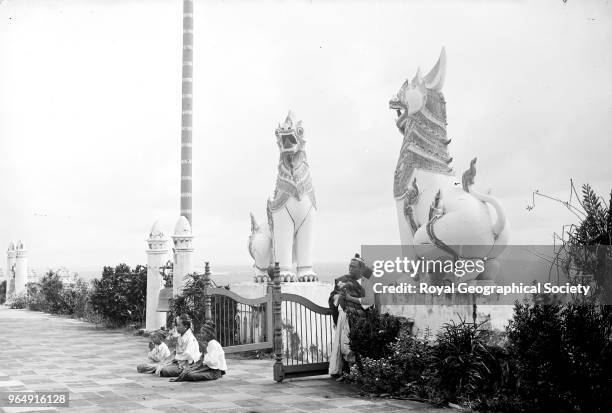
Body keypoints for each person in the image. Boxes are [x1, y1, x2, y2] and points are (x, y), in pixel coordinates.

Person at [328, 253, 373, 379]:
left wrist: (350, 298)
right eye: (349, 266)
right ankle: (348, 372)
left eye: (353, 267)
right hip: (345, 317)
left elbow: (369, 302)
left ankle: (358, 373)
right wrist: (339, 298)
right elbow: (333, 298)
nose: (350, 269)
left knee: (358, 346)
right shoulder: (342, 280)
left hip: (361, 318)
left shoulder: (367, 283)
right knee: (344, 345)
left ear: (361, 269)